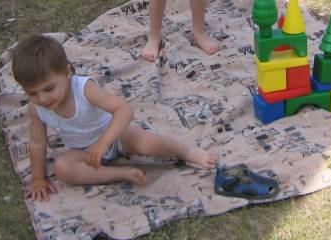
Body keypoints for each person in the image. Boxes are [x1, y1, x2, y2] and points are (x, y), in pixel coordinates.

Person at [12, 34, 217, 201]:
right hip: (83, 152)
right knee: (62, 168)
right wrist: (38, 178)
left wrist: (103, 142)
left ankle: (186, 151)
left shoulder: (84, 89)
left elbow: (124, 110)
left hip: (116, 135)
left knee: (148, 144)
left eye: (49, 89)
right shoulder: (37, 107)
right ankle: (121, 174)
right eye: (32, 93)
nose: (42, 98)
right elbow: (37, 144)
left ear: (67, 73)